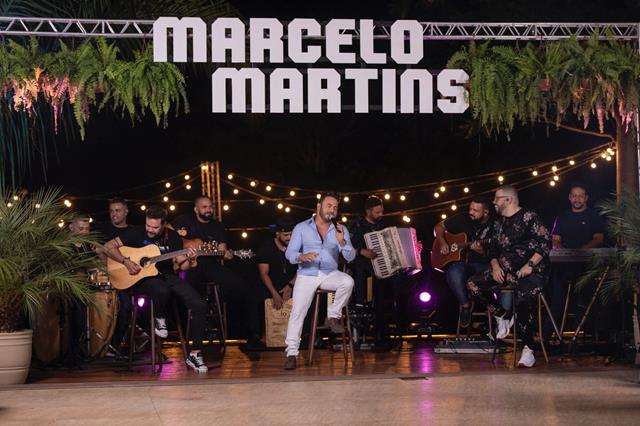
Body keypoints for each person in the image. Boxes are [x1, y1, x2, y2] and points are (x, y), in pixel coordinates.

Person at [103, 205, 209, 373]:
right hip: (142, 279)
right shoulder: (136, 232)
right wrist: (125, 261)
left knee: (200, 304)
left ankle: (195, 353)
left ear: (164, 224)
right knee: (161, 289)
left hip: (167, 276)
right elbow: (108, 246)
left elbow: (182, 265)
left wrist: (191, 260)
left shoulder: (172, 237)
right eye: (148, 225)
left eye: (155, 227)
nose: (150, 230)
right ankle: (159, 318)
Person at [467, 185, 551, 367]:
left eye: (497, 199)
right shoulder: (498, 224)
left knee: (522, 299)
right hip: (506, 272)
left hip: (531, 273)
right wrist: (495, 266)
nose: (494, 202)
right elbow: (493, 250)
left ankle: (528, 348)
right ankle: (503, 317)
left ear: (509, 200)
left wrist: (530, 265)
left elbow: (545, 243)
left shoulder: (529, 217)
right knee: (473, 284)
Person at [171, 196, 263, 350]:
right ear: (196, 209)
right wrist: (183, 243)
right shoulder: (184, 220)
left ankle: (253, 336)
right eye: (204, 207)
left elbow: (222, 251)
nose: (208, 210)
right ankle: (196, 341)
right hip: (190, 266)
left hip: (211, 266)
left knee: (242, 286)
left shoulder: (217, 226)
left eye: (210, 206)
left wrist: (227, 255)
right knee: (192, 292)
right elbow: (166, 232)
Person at [283, 192, 356, 370]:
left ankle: (333, 316)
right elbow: (290, 253)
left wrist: (343, 242)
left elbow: (351, 256)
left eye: (335, 207)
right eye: (329, 205)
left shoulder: (340, 229)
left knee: (347, 281)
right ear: (319, 206)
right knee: (298, 312)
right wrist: (301, 256)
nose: (332, 210)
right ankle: (291, 353)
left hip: (329, 273)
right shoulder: (302, 227)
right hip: (307, 274)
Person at [544, 183, 605, 340]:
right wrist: (562, 250)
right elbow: (555, 239)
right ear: (570, 198)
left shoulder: (593, 216)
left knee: (588, 298)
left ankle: (594, 336)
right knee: (557, 299)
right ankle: (546, 336)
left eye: (580, 196)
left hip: (586, 266)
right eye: (574, 196)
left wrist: (583, 250)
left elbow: (599, 238)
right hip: (564, 266)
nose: (577, 199)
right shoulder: (562, 217)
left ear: (586, 198)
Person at [349, 195, 404, 347]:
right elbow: (345, 248)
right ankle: (378, 333)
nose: (381, 215)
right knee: (376, 285)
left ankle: (395, 327)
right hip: (365, 269)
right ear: (368, 211)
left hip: (385, 269)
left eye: (382, 211)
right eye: (377, 212)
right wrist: (361, 251)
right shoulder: (357, 227)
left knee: (403, 282)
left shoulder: (384, 225)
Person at [433, 197, 495, 327]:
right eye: (470, 208)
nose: (471, 212)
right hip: (465, 264)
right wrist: (442, 242)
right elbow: (439, 226)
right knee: (453, 271)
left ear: (486, 212)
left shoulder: (495, 225)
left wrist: (481, 251)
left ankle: (495, 315)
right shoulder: (463, 218)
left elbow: (496, 253)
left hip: (484, 265)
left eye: (475, 210)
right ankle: (465, 305)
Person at [93, 197, 135, 353]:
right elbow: (98, 250)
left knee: (126, 306)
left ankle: (118, 344)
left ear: (126, 211)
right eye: (111, 211)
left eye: (117, 210)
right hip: (104, 277)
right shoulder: (101, 228)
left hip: (127, 278)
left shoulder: (133, 231)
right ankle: (101, 344)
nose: (114, 214)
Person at [257, 217, 297, 310]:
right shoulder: (266, 247)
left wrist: (290, 286)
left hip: (293, 285)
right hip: (271, 288)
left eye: (292, 234)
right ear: (277, 233)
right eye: (286, 235)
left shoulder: (297, 245)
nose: (290, 238)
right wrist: (274, 294)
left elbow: (303, 269)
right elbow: (264, 274)